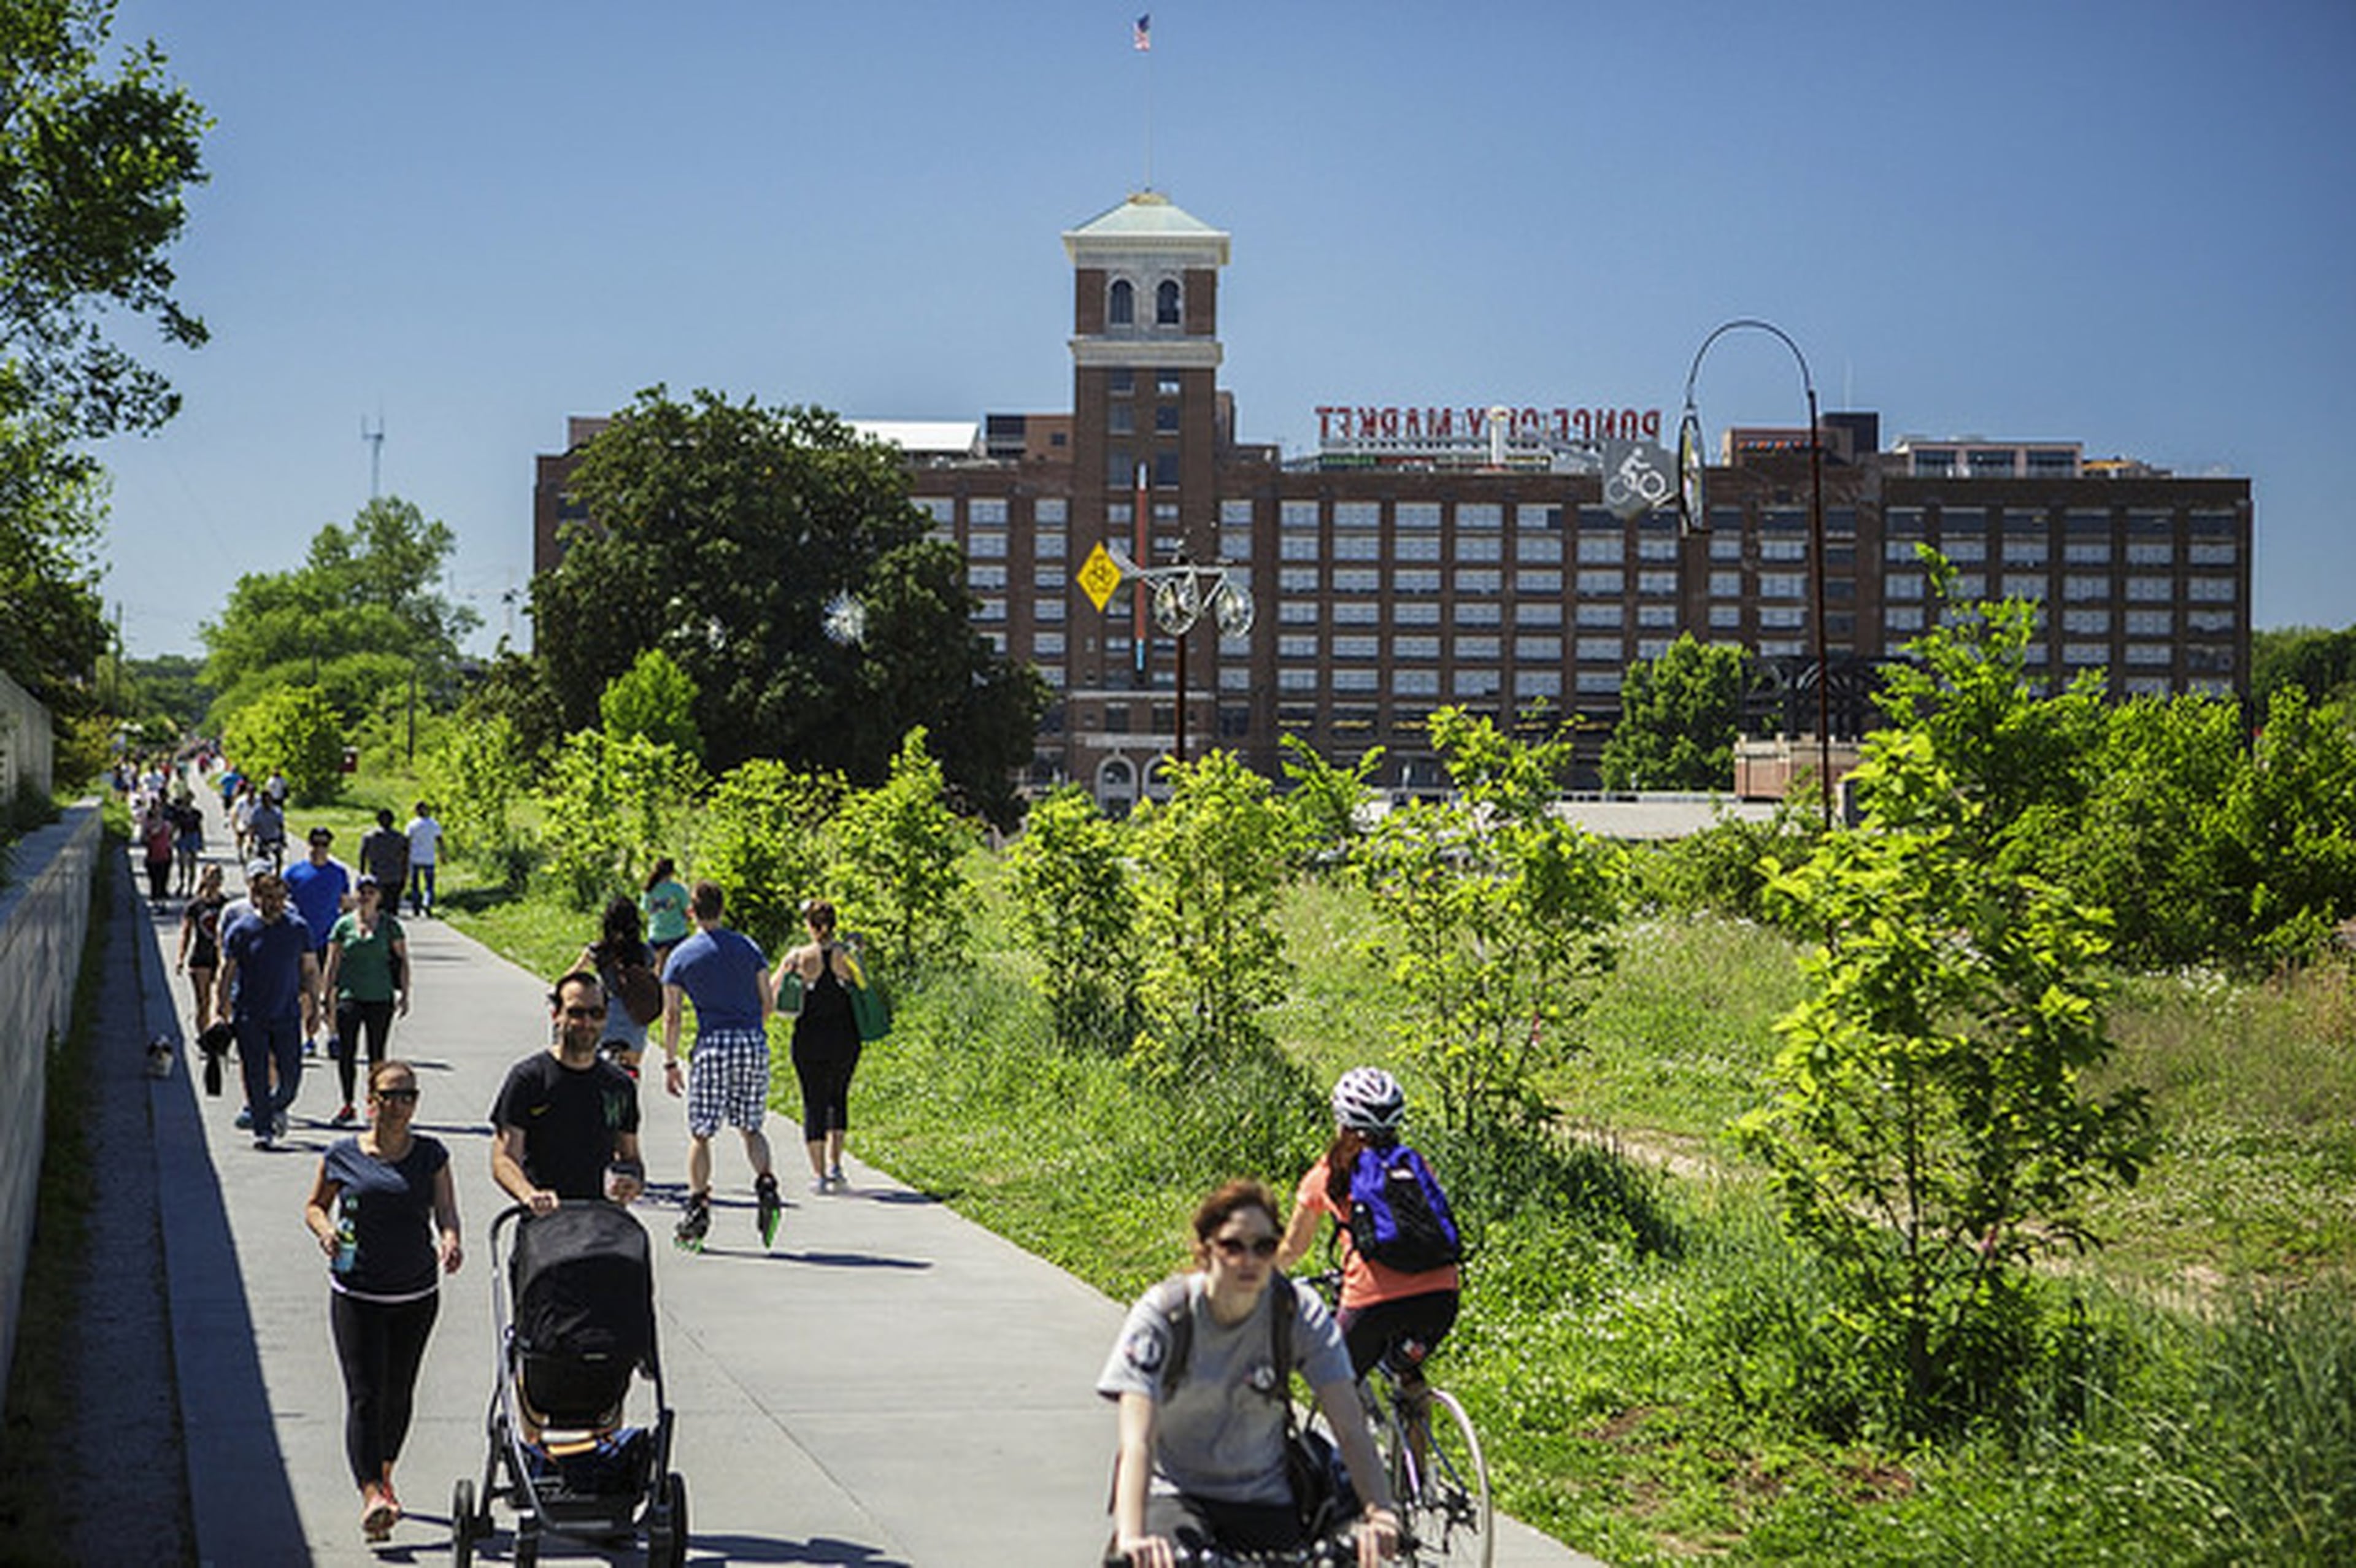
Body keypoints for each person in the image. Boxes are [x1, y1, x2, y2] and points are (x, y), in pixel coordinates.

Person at [1099, 1179, 1400, 1568]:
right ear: (1206, 1250)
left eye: (1264, 1247)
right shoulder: (1166, 1316)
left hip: (1263, 1496)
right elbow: (1137, 1440)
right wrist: (1132, 1535)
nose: (1249, 1260)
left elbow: (1350, 1427)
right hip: (1176, 1493)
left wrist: (1380, 1513)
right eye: (1233, 1247)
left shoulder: (1295, 1313)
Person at [303, 1059, 460, 1542]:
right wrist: (326, 1231)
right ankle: (371, 1491)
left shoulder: (431, 1154)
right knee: (366, 1394)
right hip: (358, 1293)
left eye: (408, 1096)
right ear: (371, 1102)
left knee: (399, 1393)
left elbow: (447, 1211)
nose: (399, 1106)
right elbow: (314, 1206)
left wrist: (451, 1240)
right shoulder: (342, 1155)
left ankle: (385, 1474)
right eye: (390, 1096)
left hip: (416, 1292)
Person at [1275, 1067, 1461, 1382]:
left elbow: (1293, 1248)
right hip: (1441, 1300)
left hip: (1373, 1303)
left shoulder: (1329, 1173)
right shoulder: (1413, 1164)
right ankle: (1414, 1413)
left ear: (1341, 1120)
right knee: (1406, 1371)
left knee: (1333, 1384)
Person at [659, 881, 781, 1250]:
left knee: (702, 1131)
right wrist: (752, 1026)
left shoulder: (681, 956)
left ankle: (698, 1204)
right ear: (723, 909)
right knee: (751, 1127)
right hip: (751, 1042)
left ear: (691, 912)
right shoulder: (748, 947)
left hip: (713, 1044)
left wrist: (670, 1061)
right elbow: (768, 1001)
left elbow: (672, 1015)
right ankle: (767, 1186)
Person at [490, 971, 645, 1213]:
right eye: (576, 1013)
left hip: (601, 1222)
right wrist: (529, 1194)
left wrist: (632, 1181)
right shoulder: (529, 1079)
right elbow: (504, 1159)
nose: (587, 1023)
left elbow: (631, 1158)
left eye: (596, 1014)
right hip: (546, 1222)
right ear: (556, 1015)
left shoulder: (619, 1085)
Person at [216, 868, 320, 1148]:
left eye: (280, 898)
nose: (275, 903)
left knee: (291, 1075)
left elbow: (310, 969)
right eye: (269, 898)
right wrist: (220, 1008)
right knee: (255, 1072)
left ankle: (274, 1106)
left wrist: (316, 1007)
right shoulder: (241, 931)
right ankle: (263, 1128)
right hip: (250, 1014)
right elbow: (227, 971)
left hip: (287, 1013)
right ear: (257, 898)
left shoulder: (297, 928)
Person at [771, 897, 862, 1193]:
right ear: (833, 925)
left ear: (809, 926)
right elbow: (864, 988)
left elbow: (772, 995)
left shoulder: (797, 958)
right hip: (845, 1037)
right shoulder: (847, 956)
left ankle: (819, 1174)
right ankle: (837, 1166)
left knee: (814, 1101)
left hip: (809, 1038)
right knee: (839, 1098)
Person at [321, 876, 410, 1126]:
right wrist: (326, 994)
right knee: (346, 1053)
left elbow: (403, 960)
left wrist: (405, 993)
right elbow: (332, 961)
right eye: (362, 891)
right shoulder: (343, 925)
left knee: (376, 1056)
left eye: (371, 891)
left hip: (380, 997)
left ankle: (375, 1104)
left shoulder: (390, 926)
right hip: (349, 996)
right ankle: (347, 1104)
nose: (366, 896)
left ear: (379, 896)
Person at [285, 828, 354, 1056]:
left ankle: (333, 1035)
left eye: (324, 844)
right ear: (309, 844)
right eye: (316, 843)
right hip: (301, 941)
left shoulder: (339, 873)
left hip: (329, 938)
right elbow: (284, 902)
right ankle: (309, 1037)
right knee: (306, 991)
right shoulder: (294, 873)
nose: (320, 848)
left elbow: (345, 903)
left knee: (331, 990)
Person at [577, 896, 656, 1077]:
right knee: (631, 1071)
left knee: (593, 1072)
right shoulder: (646, 953)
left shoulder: (598, 951)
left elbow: (572, 975)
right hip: (636, 1020)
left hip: (604, 1021)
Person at [176, 864, 229, 1034]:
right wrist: (181, 957)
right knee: (204, 1001)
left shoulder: (225, 905)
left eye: (218, 876)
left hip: (220, 957)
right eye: (212, 876)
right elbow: (186, 931)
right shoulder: (195, 905)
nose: (215, 880)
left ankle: (219, 1038)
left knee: (222, 1001)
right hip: (201, 956)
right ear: (204, 878)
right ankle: (204, 1037)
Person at [357, 807, 410, 915]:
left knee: (377, 910)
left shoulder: (369, 837)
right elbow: (405, 859)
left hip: (377, 877)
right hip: (395, 876)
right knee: (392, 911)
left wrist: (362, 874)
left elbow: (363, 857)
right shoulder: (400, 838)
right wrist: (405, 876)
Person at [639, 858, 690, 973]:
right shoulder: (678, 889)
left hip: (657, 936)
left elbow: (646, 910)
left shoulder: (649, 890)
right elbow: (686, 909)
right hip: (678, 934)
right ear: (672, 872)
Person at [402, 801, 442, 917]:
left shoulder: (412, 825)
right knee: (429, 884)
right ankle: (427, 903)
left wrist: (405, 856)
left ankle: (416, 906)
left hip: (415, 858)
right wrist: (442, 854)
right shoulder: (434, 824)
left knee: (415, 884)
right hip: (429, 858)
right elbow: (439, 840)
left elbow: (407, 842)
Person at [138, 798, 174, 910]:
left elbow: (171, 838)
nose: (157, 810)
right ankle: (155, 901)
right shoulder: (147, 824)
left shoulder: (166, 824)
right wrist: (151, 835)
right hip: (153, 855)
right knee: (154, 879)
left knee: (163, 878)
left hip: (166, 855)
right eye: (154, 808)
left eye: (158, 808)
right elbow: (143, 839)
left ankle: (162, 901)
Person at [247, 789, 286, 873]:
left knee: (278, 856)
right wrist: (251, 840)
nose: (267, 803)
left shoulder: (277, 811)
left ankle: (278, 874)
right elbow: (253, 826)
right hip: (262, 839)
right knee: (261, 858)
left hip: (274, 838)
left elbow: (281, 826)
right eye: (265, 801)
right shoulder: (257, 812)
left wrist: (283, 839)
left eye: (269, 800)